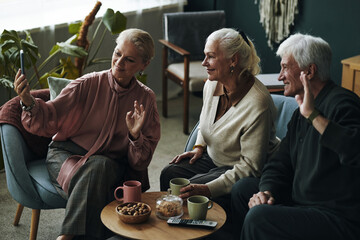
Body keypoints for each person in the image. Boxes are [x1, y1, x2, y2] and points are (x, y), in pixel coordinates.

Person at [13, 28, 160, 240]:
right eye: (117, 53)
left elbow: (140, 163)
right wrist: (27, 102)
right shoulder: (87, 83)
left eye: (128, 59)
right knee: (95, 180)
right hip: (64, 155)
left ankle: (67, 236)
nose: (119, 63)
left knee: (99, 167)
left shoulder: (146, 99)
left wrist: (135, 137)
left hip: (108, 164)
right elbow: (51, 115)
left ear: (144, 65)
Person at [231, 33, 360, 240]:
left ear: (308, 71)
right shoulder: (301, 112)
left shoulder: (344, 104)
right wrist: (267, 191)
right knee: (243, 190)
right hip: (300, 200)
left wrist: (312, 115)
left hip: (335, 216)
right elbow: (279, 162)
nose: (280, 76)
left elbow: (354, 150)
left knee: (259, 218)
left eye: (284, 67)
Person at [160, 28, 280, 210]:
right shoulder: (212, 83)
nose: (203, 63)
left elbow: (250, 167)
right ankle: (173, 224)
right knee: (169, 174)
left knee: (185, 190)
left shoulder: (258, 103)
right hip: (213, 157)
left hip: (238, 169)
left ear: (233, 60)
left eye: (211, 56)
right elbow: (205, 120)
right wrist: (199, 146)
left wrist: (207, 189)